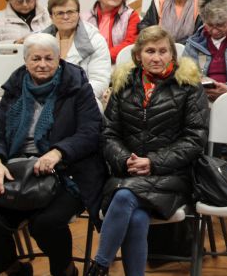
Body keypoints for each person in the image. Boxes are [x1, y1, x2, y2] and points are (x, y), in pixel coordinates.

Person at [0, 34, 105, 276]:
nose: (42, 64)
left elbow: (90, 132)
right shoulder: (15, 88)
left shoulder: (77, 87)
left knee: (46, 223)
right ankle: (15, 270)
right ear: (25, 61)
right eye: (35, 58)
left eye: (48, 58)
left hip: (68, 171)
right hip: (17, 169)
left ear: (59, 59)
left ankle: (65, 271)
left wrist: (59, 151)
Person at [85, 26, 209, 276]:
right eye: (150, 51)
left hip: (173, 174)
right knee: (137, 217)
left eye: (163, 51)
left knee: (124, 197)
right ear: (138, 55)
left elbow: (195, 140)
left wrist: (152, 162)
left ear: (172, 55)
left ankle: (99, 266)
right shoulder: (123, 84)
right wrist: (125, 160)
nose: (157, 57)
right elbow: (109, 134)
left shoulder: (189, 86)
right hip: (128, 171)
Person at [43, 0, 111, 108]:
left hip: (82, 100)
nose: (66, 17)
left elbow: (99, 81)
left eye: (70, 12)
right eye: (60, 13)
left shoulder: (95, 40)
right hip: (46, 98)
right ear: (51, 17)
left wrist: (71, 99)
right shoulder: (40, 41)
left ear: (78, 14)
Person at [82, 0, 140, 64]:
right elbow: (81, 43)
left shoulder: (131, 15)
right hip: (90, 62)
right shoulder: (85, 17)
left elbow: (131, 43)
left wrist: (104, 56)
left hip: (120, 63)